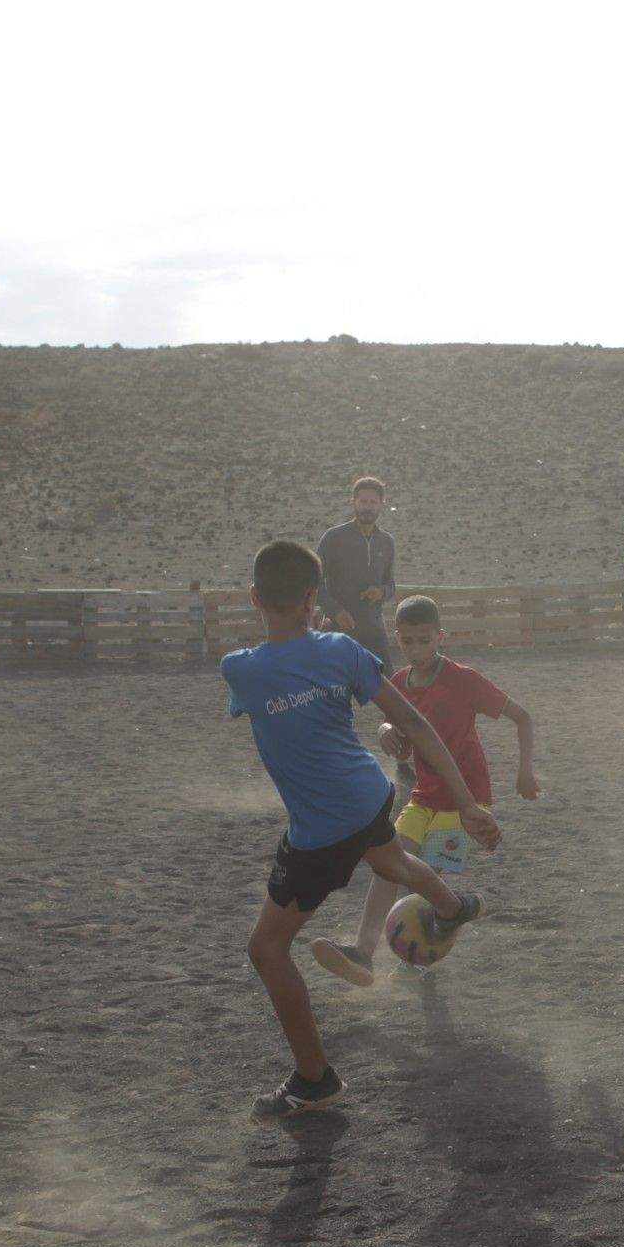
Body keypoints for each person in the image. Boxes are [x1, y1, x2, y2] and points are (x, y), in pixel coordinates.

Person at [223, 542, 498, 1117]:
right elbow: (415, 723)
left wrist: (303, 630)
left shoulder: (241, 669)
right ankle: (452, 905)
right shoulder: (344, 651)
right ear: (312, 597)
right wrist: (469, 802)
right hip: (371, 794)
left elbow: (272, 672)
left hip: (320, 830)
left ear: (254, 598)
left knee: (267, 949)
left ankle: (314, 1078)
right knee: (390, 858)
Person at [326, 595, 540, 980]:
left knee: (431, 879)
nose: (416, 649)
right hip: (423, 794)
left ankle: (417, 951)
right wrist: (385, 732)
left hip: (465, 800)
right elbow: (394, 726)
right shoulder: (396, 683)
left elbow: (523, 718)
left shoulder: (464, 679)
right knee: (390, 865)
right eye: (408, 641)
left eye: (425, 640)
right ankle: (363, 953)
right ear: (397, 639)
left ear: (440, 637)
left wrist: (525, 772)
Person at [315, 475, 399, 673]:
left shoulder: (386, 542)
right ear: (353, 502)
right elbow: (313, 582)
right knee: (334, 691)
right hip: (338, 629)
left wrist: (380, 592)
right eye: (363, 501)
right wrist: (336, 611)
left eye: (373, 502)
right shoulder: (334, 537)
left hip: (374, 630)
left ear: (381, 505)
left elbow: (391, 586)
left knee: (390, 688)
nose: (367, 507)